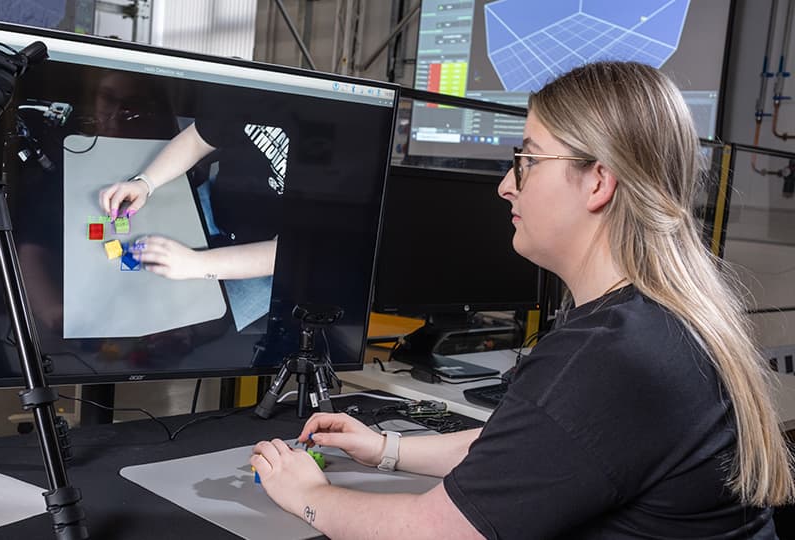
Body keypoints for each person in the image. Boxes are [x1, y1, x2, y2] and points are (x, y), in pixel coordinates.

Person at [250, 61, 795, 538]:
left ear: (598, 181)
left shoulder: (612, 357)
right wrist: (386, 449)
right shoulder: (661, 323)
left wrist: (308, 494)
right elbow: (533, 451)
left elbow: (434, 533)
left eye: (528, 160)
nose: (506, 186)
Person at [98, 115, 289, 331]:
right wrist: (145, 182)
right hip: (215, 202)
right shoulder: (256, 92)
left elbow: (298, 253)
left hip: (263, 262)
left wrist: (197, 264)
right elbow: (199, 137)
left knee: (200, 319)